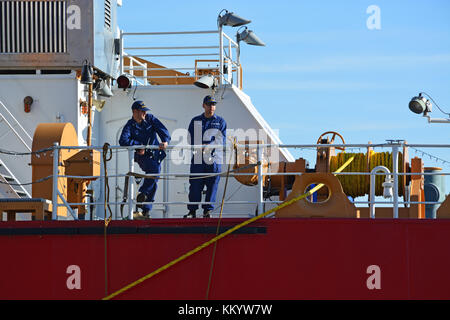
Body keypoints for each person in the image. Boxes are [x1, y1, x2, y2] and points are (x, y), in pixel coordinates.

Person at [119, 100, 171, 218]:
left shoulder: (150, 119)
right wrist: (138, 146)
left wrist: (165, 141)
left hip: (156, 154)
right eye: (142, 111)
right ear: (135, 112)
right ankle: (142, 194)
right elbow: (123, 140)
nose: (144, 113)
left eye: (145, 111)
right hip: (142, 156)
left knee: (154, 180)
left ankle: (146, 209)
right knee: (154, 173)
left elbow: (162, 130)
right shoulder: (129, 125)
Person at [184, 95, 227, 218]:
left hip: (214, 159)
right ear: (203, 105)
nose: (211, 107)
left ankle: (207, 211)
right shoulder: (195, 120)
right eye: (209, 104)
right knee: (195, 185)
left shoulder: (220, 122)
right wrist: (200, 145)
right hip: (198, 158)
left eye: (213, 104)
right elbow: (190, 138)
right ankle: (192, 211)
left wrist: (209, 146)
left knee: (212, 185)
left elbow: (221, 140)